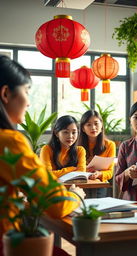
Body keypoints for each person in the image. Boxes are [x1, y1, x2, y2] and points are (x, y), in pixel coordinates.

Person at [0, 55, 85, 255]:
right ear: (5, 93)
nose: (29, 103)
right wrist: (75, 196)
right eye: (27, 92)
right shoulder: (10, 141)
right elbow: (55, 204)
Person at [78, 110, 116, 198]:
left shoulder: (110, 145)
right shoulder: (77, 145)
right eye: (88, 124)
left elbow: (110, 172)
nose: (93, 127)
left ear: (101, 125)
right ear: (83, 128)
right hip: (80, 182)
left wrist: (99, 174)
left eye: (96, 123)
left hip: (99, 182)